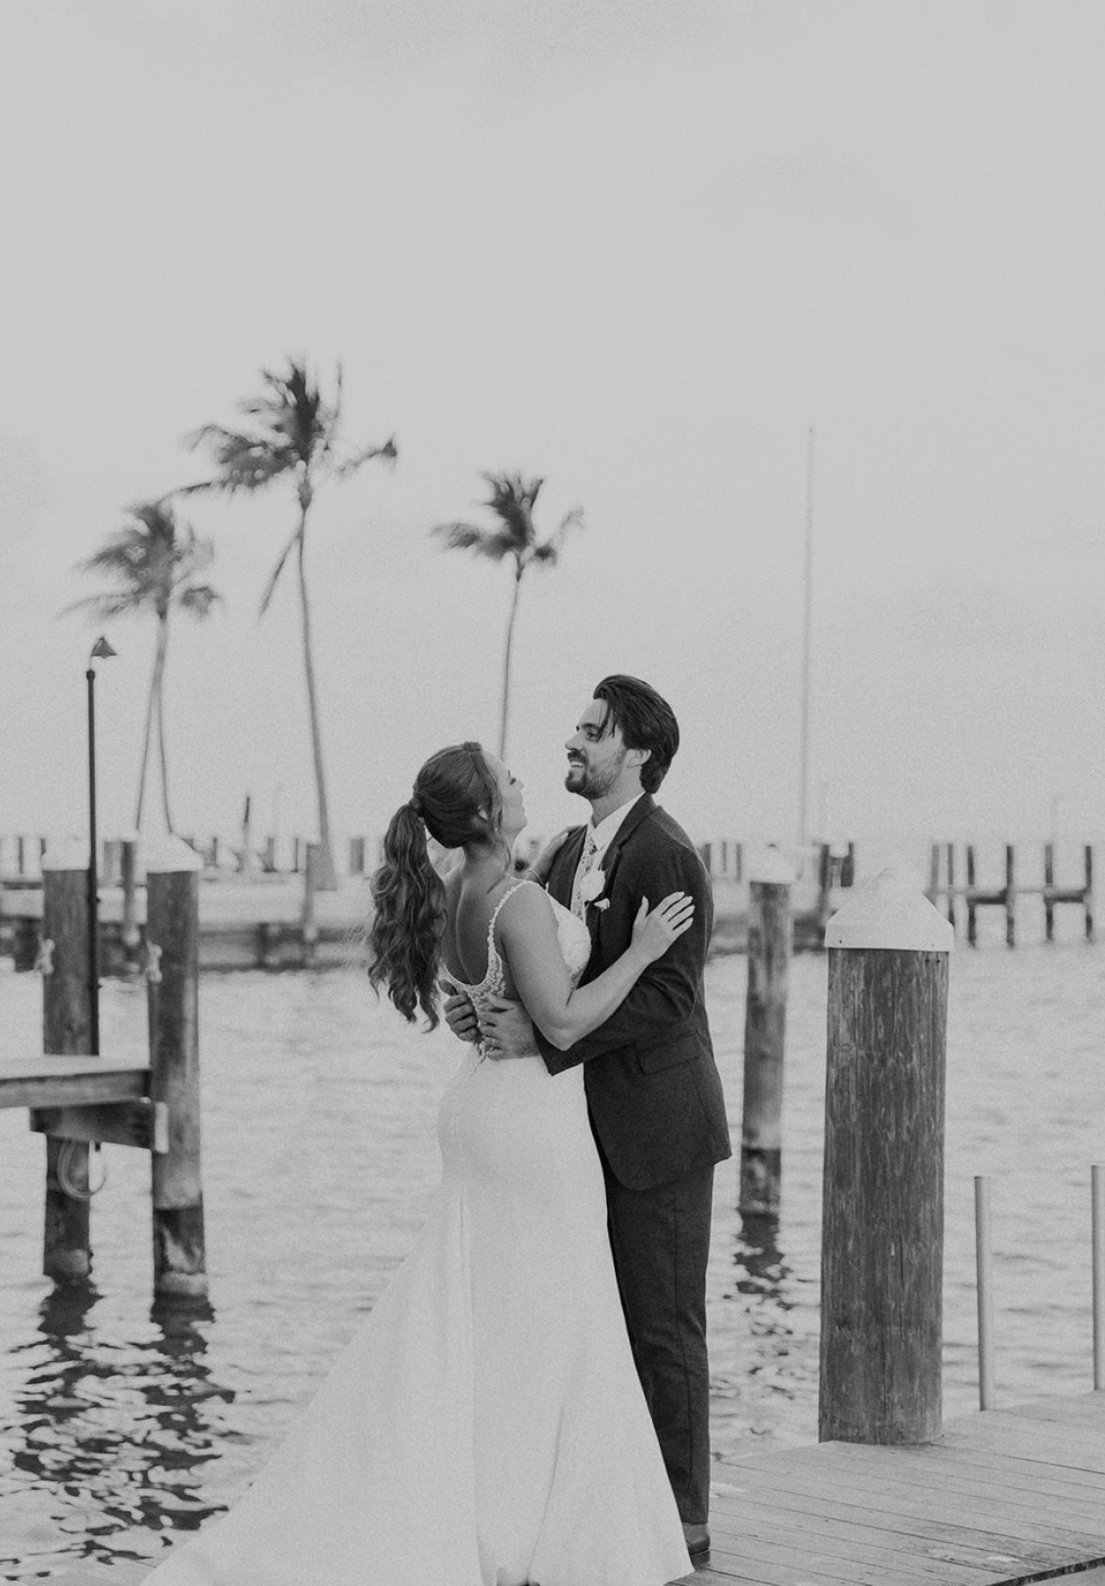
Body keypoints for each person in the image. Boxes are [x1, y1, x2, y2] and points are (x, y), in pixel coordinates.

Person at [142, 739, 695, 1586]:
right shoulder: (514, 901)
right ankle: (532, 1517)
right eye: (509, 781)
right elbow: (567, 1020)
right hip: (529, 1128)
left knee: (490, 1315)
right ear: (483, 813)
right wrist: (642, 950)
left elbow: (487, 1002)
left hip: (485, 1109)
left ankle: (501, 1501)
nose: (523, 784)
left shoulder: (458, 889)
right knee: (552, 1315)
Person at [448, 676, 731, 1571]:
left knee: (661, 1322)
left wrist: (547, 1037)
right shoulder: (568, 849)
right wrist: (486, 1011)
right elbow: (534, 967)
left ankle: (684, 1518)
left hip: (658, 1124)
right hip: (577, 1130)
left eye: (591, 732)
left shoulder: (667, 852)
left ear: (637, 751)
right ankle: (604, 1505)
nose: (572, 743)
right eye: (573, 728)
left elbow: (671, 997)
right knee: (592, 1325)